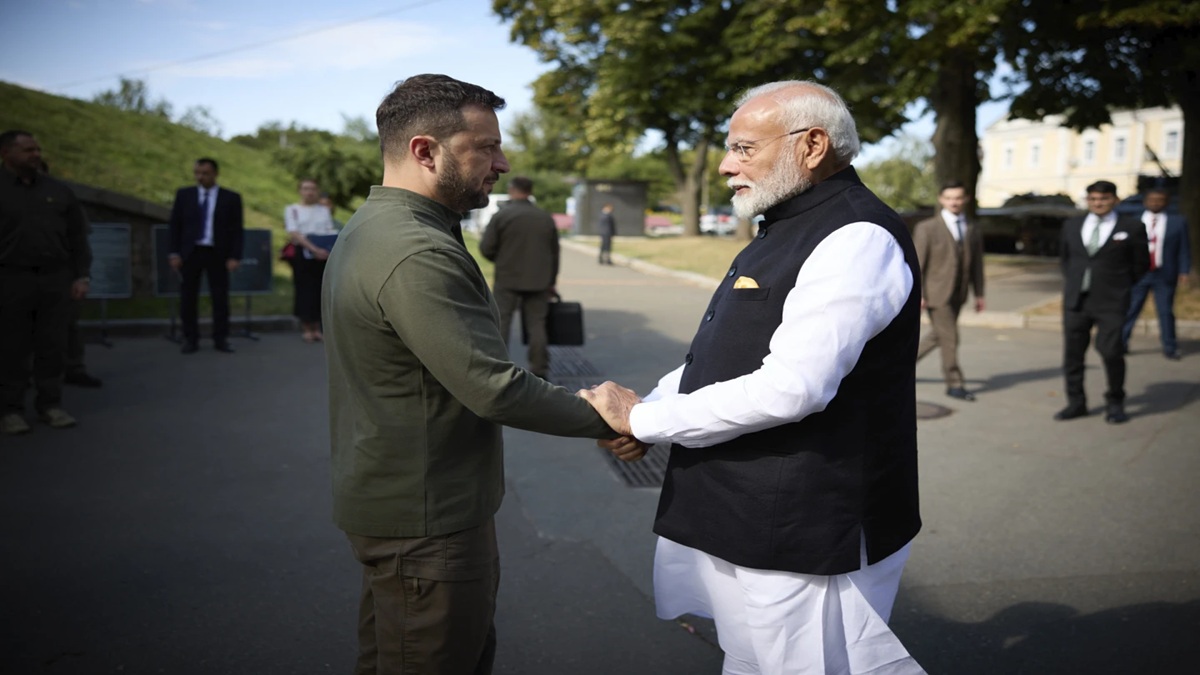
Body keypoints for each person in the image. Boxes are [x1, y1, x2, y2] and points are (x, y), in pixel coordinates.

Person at [581, 81, 925, 674]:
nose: (724, 164)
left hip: (805, 523)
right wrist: (653, 414)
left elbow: (792, 387)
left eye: (743, 148)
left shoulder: (855, 235)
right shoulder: (787, 222)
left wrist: (644, 418)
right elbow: (721, 355)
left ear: (812, 145)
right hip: (749, 512)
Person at [322, 74, 629, 675]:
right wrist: (609, 416)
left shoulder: (379, 227)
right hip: (427, 518)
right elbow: (492, 386)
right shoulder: (417, 251)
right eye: (484, 147)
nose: (502, 161)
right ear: (424, 151)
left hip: (400, 498)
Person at [0, 130, 92, 434]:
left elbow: (77, 237)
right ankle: (11, 410)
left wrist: (81, 275)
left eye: (37, 149)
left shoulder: (58, 191)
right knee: (13, 346)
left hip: (55, 278)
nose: (36, 155)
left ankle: (50, 405)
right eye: (27, 150)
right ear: (6, 154)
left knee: (52, 344)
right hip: (11, 278)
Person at [1056, 180, 1148, 424]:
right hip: (1076, 301)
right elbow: (1066, 260)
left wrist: (1120, 286)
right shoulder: (1072, 225)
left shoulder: (1132, 227)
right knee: (1073, 356)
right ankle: (1076, 403)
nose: (1098, 203)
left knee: (1111, 351)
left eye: (1104, 199)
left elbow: (1140, 265)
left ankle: (1115, 402)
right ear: (1087, 201)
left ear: (1115, 200)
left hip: (1111, 302)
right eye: (1093, 199)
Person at [479, 176, 560, 379]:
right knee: (537, 325)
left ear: (512, 190)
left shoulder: (502, 216)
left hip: (508, 277)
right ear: (530, 191)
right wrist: (550, 280)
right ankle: (540, 370)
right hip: (539, 280)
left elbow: (486, 248)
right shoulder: (544, 217)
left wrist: (500, 259)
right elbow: (554, 253)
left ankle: (499, 369)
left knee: (501, 323)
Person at [912, 181, 985, 401]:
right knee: (950, 337)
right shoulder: (927, 228)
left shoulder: (971, 227)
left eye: (958, 197)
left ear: (966, 200)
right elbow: (917, 264)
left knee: (938, 336)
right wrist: (919, 293)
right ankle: (955, 383)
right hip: (936, 293)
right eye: (950, 198)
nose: (954, 202)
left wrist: (979, 294)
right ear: (941, 199)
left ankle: (894, 364)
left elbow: (977, 265)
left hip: (959, 293)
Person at [168, 158, 244, 354]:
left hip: (217, 253)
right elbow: (175, 226)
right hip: (191, 253)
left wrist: (235, 256)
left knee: (219, 297)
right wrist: (174, 252)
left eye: (205, 173)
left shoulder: (231, 198)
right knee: (188, 297)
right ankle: (190, 338)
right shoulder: (185, 195)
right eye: (197, 173)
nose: (200, 177)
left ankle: (221, 338)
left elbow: (237, 230)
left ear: (215, 174)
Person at [1121, 188, 1191, 360]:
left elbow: (1184, 248)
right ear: (1145, 201)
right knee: (1131, 308)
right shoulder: (1133, 221)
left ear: (1166, 202)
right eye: (1152, 199)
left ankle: (1170, 346)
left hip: (1164, 273)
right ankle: (1120, 343)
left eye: (1160, 199)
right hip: (1139, 274)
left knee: (1165, 311)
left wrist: (1184, 270)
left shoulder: (1177, 222)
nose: (1155, 203)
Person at [284, 178, 336, 343]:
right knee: (304, 290)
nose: (310, 192)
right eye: (306, 188)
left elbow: (328, 229)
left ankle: (318, 327)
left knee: (319, 290)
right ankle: (306, 326)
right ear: (300, 190)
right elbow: (294, 232)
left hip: (322, 253)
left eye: (313, 189)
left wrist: (325, 249)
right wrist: (313, 249)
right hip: (303, 253)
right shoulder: (293, 209)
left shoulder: (323, 210)